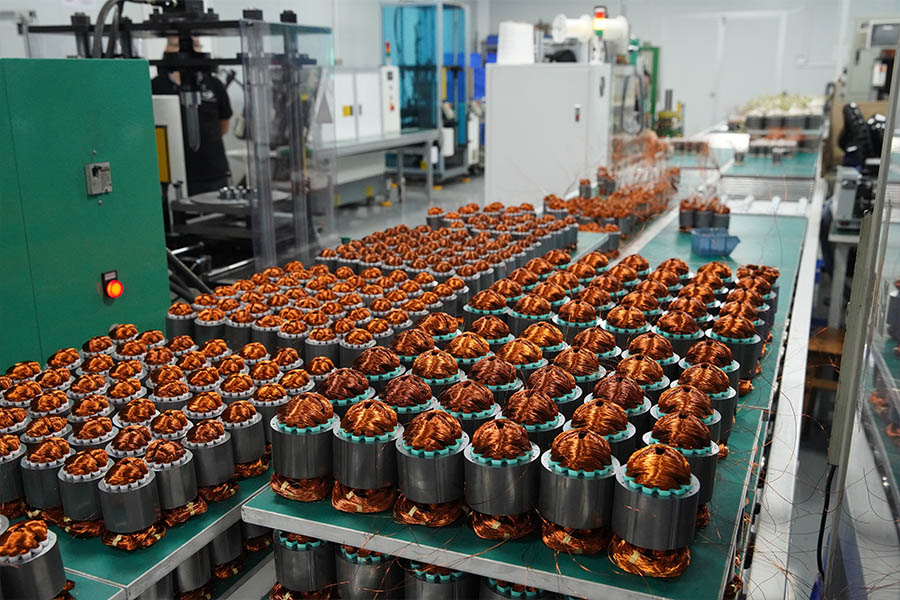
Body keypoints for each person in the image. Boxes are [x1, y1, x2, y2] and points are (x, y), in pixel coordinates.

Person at [151, 37, 233, 195]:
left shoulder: (214, 85)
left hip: (213, 173)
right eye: (176, 45)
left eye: (196, 45)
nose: (185, 51)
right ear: (166, 50)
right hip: (172, 175)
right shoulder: (154, 86)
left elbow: (224, 125)